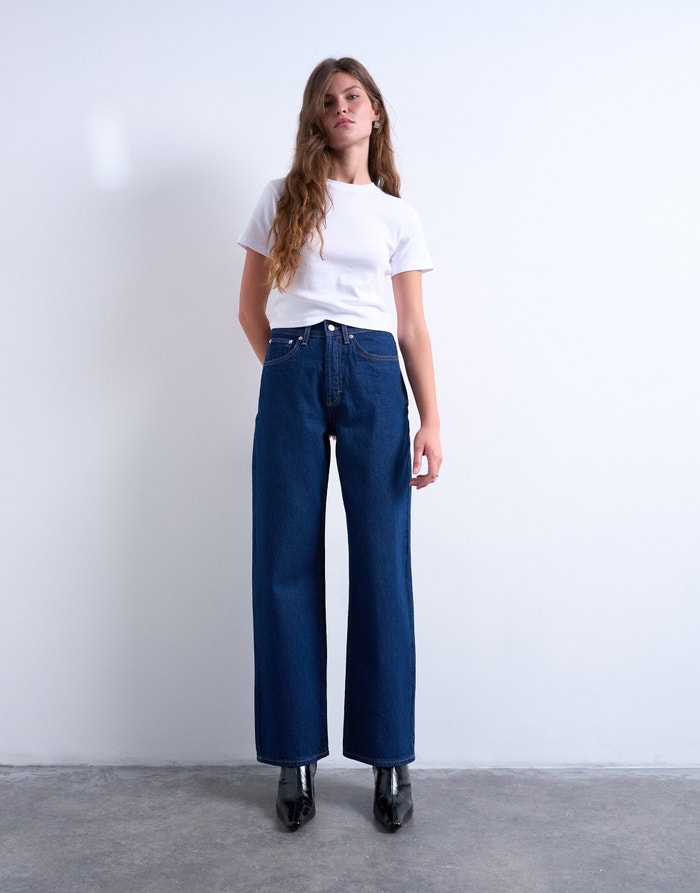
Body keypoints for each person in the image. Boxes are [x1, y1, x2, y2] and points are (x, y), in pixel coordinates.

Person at [237, 56, 442, 832]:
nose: (342, 107)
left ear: (375, 111)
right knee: (283, 562)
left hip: (374, 375)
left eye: (354, 96)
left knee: (383, 564)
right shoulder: (281, 196)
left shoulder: (396, 213)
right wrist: (289, 371)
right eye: (328, 100)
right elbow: (250, 309)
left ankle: (390, 756)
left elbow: (413, 326)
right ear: (315, 119)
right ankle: (295, 757)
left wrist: (432, 419)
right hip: (293, 367)